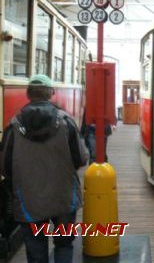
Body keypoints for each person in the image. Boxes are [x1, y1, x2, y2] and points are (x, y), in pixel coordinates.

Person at [0, 74, 89, 263]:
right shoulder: (66, 122)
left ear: (28, 94)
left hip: (28, 199)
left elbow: (5, 167)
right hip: (64, 196)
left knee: (36, 250)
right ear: (51, 93)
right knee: (64, 244)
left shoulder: (13, 126)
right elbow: (80, 158)